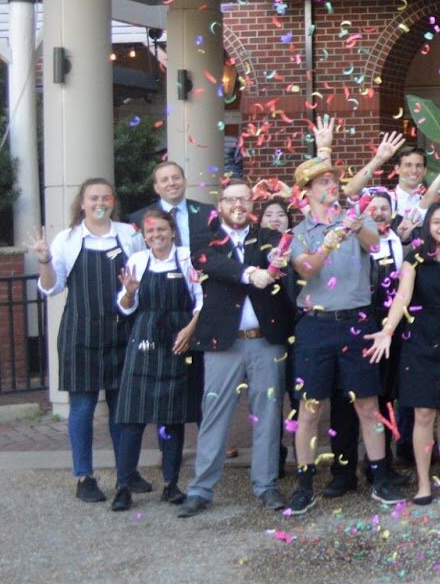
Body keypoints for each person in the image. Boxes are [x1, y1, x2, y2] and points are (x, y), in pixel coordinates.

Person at [288, 151, 408, 512]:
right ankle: (305, 482)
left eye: (334, 181)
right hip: (315, 325)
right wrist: (327, 243)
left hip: (357, 322)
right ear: (306, 191)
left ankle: (380, 476)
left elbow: (376, 245)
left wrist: (358, 227)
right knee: (309, 408)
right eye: (324, 182)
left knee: (368, 404)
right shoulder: (299, 233)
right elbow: (306, 270)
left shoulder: (354, 219)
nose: (332, 186)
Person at [178, 179, 292, 516]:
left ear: (251, 204)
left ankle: (266, 485)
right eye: (231, 200)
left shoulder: (266, 234)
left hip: (265, 342)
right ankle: (201, 489)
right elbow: (209, 262)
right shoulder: (204, 235)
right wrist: (249, 272)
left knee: (269, 416)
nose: (238, 205)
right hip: (222, 343)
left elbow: (277, 253)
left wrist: (276, 257)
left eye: (244, 199)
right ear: (220, 204)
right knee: (214, 416)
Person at [32, 178, 144, 504]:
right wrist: (43, 261)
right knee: (82, 408)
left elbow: (140, 279)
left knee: (122, 410)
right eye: (92, 197)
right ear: (82, 203)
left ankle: (126, 474)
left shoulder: (129, 235)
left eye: (105, 197)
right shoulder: (66, 239)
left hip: (122, 332)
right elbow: (52, 287)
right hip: (80, 333)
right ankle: (84, 476)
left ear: (112, 201)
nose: (99, 202)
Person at [370, 202, 440, 504]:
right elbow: (402, 297)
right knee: (423, 414)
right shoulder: (415, 258)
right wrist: (388, 330)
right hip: (419, 340)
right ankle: (423, 483)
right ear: (427, 227)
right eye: (436, 222)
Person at [110, 209, 201, 510]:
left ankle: (171, 485)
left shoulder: (187, 258)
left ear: (172, 231)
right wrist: (129, 293)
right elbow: (125, 307)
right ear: (145, 236)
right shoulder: (137, 261)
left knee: (172, 419)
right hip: (144, 339)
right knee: (132, 419)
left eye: (161, 230)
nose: (155, 235)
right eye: (150, 232)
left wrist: (189, 330)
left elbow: (201, 300)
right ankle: (123, 486)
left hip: (177, 339)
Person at [130, 160, 215, 254]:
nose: (171, 183)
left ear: (185, 182)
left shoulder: (207, 212)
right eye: (164, 180)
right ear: (156, 188)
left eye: (176, 178)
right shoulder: (139, 218)